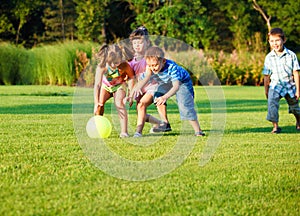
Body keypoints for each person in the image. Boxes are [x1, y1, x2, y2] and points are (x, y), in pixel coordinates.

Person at [131, 46, 205, 137]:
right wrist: (131, 95)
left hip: (182, 83)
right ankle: (164, 124)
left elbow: (176, 86)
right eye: (149, 65)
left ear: (163, 61)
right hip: (166, 83)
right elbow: (142, 81)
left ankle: (198, 131)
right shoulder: (150, 68)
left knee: (185, 106)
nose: (153, 68)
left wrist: (165, 97)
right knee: (157, 96)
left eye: (155, 65)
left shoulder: (172, 67)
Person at [128, 26, 171, 137]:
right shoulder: (132, 61)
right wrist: (131, 93)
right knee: (140, 111)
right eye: (135, 43)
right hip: (141, 88)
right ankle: (162, 124)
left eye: (140, 42)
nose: (137, 45)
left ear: (147, 43)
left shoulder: (150, 57)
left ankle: (138, 132)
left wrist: (136, 88)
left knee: (142, 105)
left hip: (154, 86)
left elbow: (148, 75)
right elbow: (131, 79)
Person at [262, 27, 300, 133]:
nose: (275, 43)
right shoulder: (269, 57)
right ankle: (275, 126)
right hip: (275, 86)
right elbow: (266, 76)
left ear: (283, 40)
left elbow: (296, 73)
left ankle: (298, 120)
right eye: (272, 41)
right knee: (272, 104)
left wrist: (298, 90)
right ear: (269, 42)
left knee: (295, 107)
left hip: (289, 85)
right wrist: (266, 90)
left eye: (277, 40)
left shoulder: (291, 55)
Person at [94, 44, 135, 138]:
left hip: (119, 86)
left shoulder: (124, 65)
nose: (113, 65)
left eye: (116, 62)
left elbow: (131, 78)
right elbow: (97, 85)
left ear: (121, 58)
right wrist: (96, 103)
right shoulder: (102, 66)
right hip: (106, 86)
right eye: (110, 62)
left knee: (119, 104)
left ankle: (124, 132)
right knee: (99, 106)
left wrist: (130, 95)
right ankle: (98, 129)